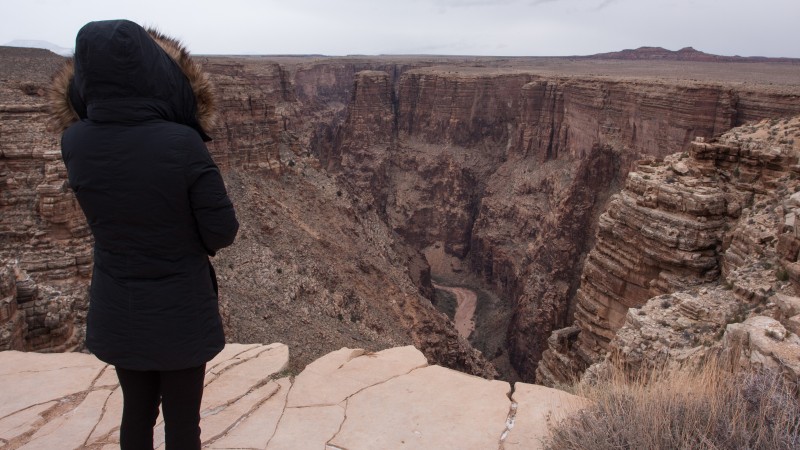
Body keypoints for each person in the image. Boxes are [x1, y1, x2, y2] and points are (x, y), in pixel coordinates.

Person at [48, 19, 239, 449]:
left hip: (119, 305)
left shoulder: (75, 141)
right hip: (181, 312)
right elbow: (222, 230)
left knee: (136, 413)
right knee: (182, 422)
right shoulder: (181, 142)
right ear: (151, 69)